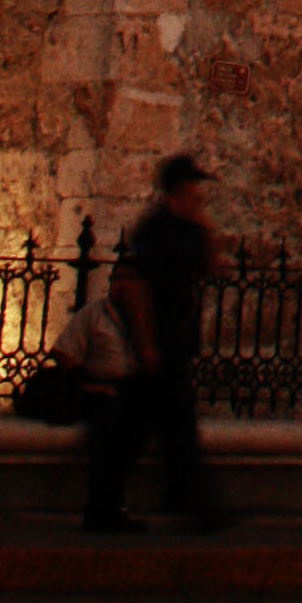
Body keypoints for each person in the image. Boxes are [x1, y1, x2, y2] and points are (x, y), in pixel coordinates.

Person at [83, 153, 227, 534]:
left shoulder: (186, 229)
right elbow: (135, 285)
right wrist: (147, 345)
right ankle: (115, 507)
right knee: (142, 429)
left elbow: (212, 267)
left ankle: (180, 499)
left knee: (163, 426)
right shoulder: (155, 230)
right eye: (193, 186)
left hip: (174, 340)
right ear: (180, 187)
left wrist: (204, 226)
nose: (198, 193)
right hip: (156, 341)